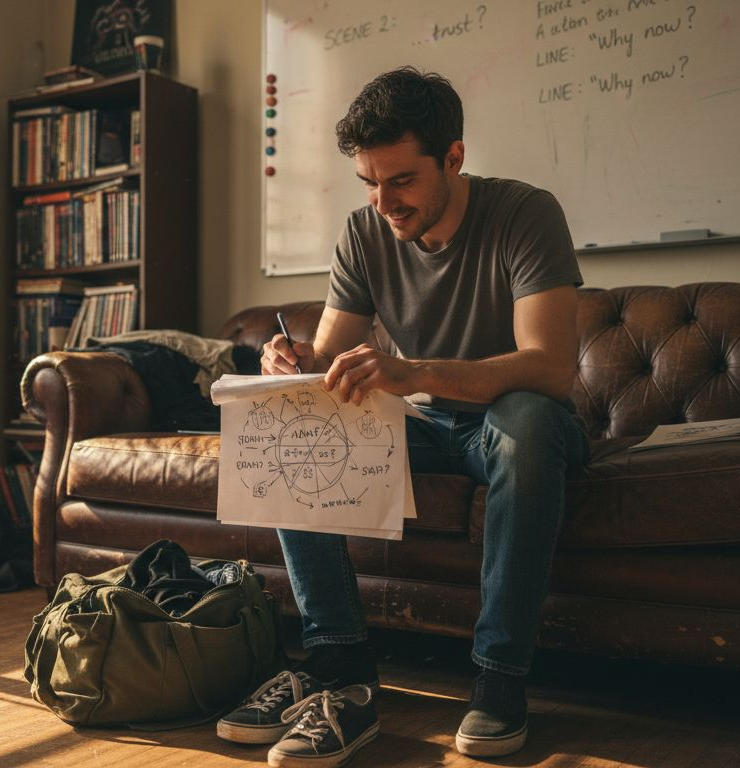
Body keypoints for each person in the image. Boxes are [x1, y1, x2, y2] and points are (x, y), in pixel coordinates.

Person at [216, 66, 589, 764]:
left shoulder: (525, 213)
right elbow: (328, 359)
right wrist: (290, 361)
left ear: (453, 157)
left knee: (528, 424)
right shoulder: (364, 234)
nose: (383, 201)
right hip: (422, 427)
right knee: (299, 418)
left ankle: (499, 680)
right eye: (368, 182)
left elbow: (551, 367)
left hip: (511, 423)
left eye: (401, 180)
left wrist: (412, 372)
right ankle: (340, 667)